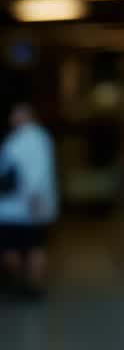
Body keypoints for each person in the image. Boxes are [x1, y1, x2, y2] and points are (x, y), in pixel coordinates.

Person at [0, 101, 57, 299]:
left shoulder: (30, 139)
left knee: (27, 247)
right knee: (27, 246)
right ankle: (27, 285)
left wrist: (33, 197)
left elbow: (35, 174)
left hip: (25, 204)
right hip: (20, 205)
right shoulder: (32, 138)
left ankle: (28, 285)